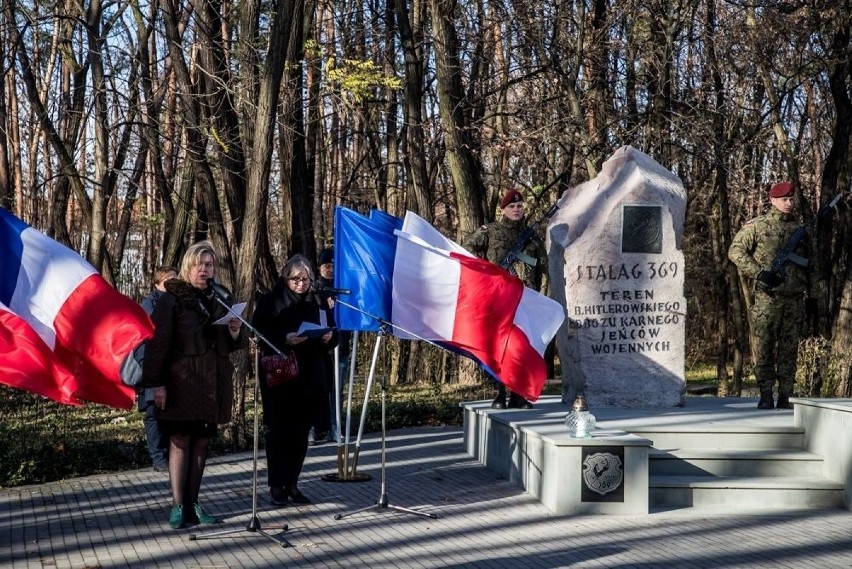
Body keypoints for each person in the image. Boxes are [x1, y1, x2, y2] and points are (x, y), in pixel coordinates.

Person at [141, 241, 244, 529]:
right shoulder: (172, 299)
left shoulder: (219, 298)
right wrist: (156, 384)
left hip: (210, 383)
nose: (204, 269)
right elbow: (158, 345)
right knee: (180, 441)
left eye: (209, 264)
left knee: (201, 442)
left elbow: (228, 344)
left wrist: (234, 331)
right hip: (181, 381)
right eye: (199, 264)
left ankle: (194, 503)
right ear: (188, 267)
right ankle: (178, 506)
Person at [252, 254, 338, 506]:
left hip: (310, 374)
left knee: (301, 433)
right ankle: (276, 485)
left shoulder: (318, 301)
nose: (301, 284)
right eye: (295, 279)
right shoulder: (271, 301)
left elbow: (334, 333)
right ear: (285, 278)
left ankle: (292, 483)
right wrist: (285, 338)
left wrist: (328, 338)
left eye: (306, 279)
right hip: (281, 376)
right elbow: (259, 332)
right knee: (279, 432)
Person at [728, 182, 821, 410]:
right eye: (783, 200)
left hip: (794, 299)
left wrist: (814, 296)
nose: (788, 204)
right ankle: (766, 393)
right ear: (772, 200)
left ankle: (786, 393)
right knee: (764, 346)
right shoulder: (758, 227)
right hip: (767, 299)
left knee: (789, 348)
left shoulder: (801, 230)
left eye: (791, 199)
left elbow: (813, 264)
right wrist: (759, 273)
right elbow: (735, 251)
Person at [463, 188, 547, 409]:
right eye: (512, 206)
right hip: (499, 297)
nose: (516, 210)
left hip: (525, 298)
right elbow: (467, 249)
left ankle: (519, 395)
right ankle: (500, 393)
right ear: (503, 209)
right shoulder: (490, 231)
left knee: (522, 346)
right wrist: (485, 273)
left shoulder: (532, 236)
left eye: (519, 206)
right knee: (499, 346)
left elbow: (544, 267)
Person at [136, 265, 178, 473]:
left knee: (168, 412)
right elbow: (145, 338)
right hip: (151, 367)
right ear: (158, 284)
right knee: (152, 413)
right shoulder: (149, 304)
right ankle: (158, 457)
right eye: (169, 281)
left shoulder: (175, 302)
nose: (173, 284)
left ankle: (171, 455)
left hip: (170, 369)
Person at [315, 247, 352, 443]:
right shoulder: (313, 289)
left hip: (341, 347)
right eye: (326, 266)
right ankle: (314, 428)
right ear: (319, 267)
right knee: (317, 390)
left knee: (337, 391)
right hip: (319, 351)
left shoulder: (343, 288)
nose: (330, 269)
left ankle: (335, 428)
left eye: (333, 266)